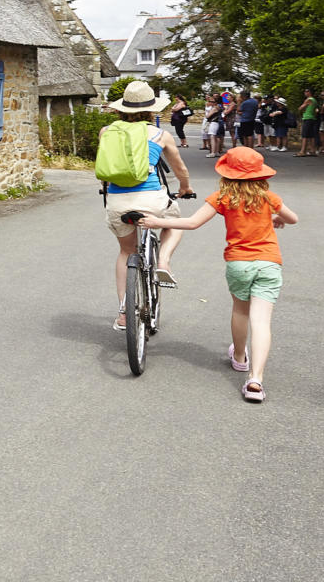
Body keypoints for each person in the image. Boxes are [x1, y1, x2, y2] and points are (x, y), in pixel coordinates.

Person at [136, 146, 300, 403]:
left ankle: (239, 358)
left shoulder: (222, 197)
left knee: (241, 311)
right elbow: (293, 219)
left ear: (227, 173)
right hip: (269, 263)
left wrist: (157, 223)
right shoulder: (269, 198)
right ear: (260, 175)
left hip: (239, 264)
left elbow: (191, 223)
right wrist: (276, 217)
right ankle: (255, 380)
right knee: (261, 321)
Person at [101, 80, 196, 331]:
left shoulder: (106, 132)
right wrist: (185, 188)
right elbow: (180, 169)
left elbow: (105, 167)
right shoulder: (160, 135)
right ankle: (163, 261)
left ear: (122, 109)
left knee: (126, 252)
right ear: (152, 110)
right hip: (152, 199)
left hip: (117, 201)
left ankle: (123, 312)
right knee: (175, 222)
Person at [298, 89, 320, 156]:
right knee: (311, 135)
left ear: (309, 92)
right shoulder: (315, 100)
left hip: (307, 118)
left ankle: (303, 151)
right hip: (312, 118)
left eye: (306, 91)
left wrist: (302, 109)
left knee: (305, 135)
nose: (305, 93)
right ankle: (313, 150)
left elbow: (300, 108)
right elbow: (316, 110)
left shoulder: (309, 99)